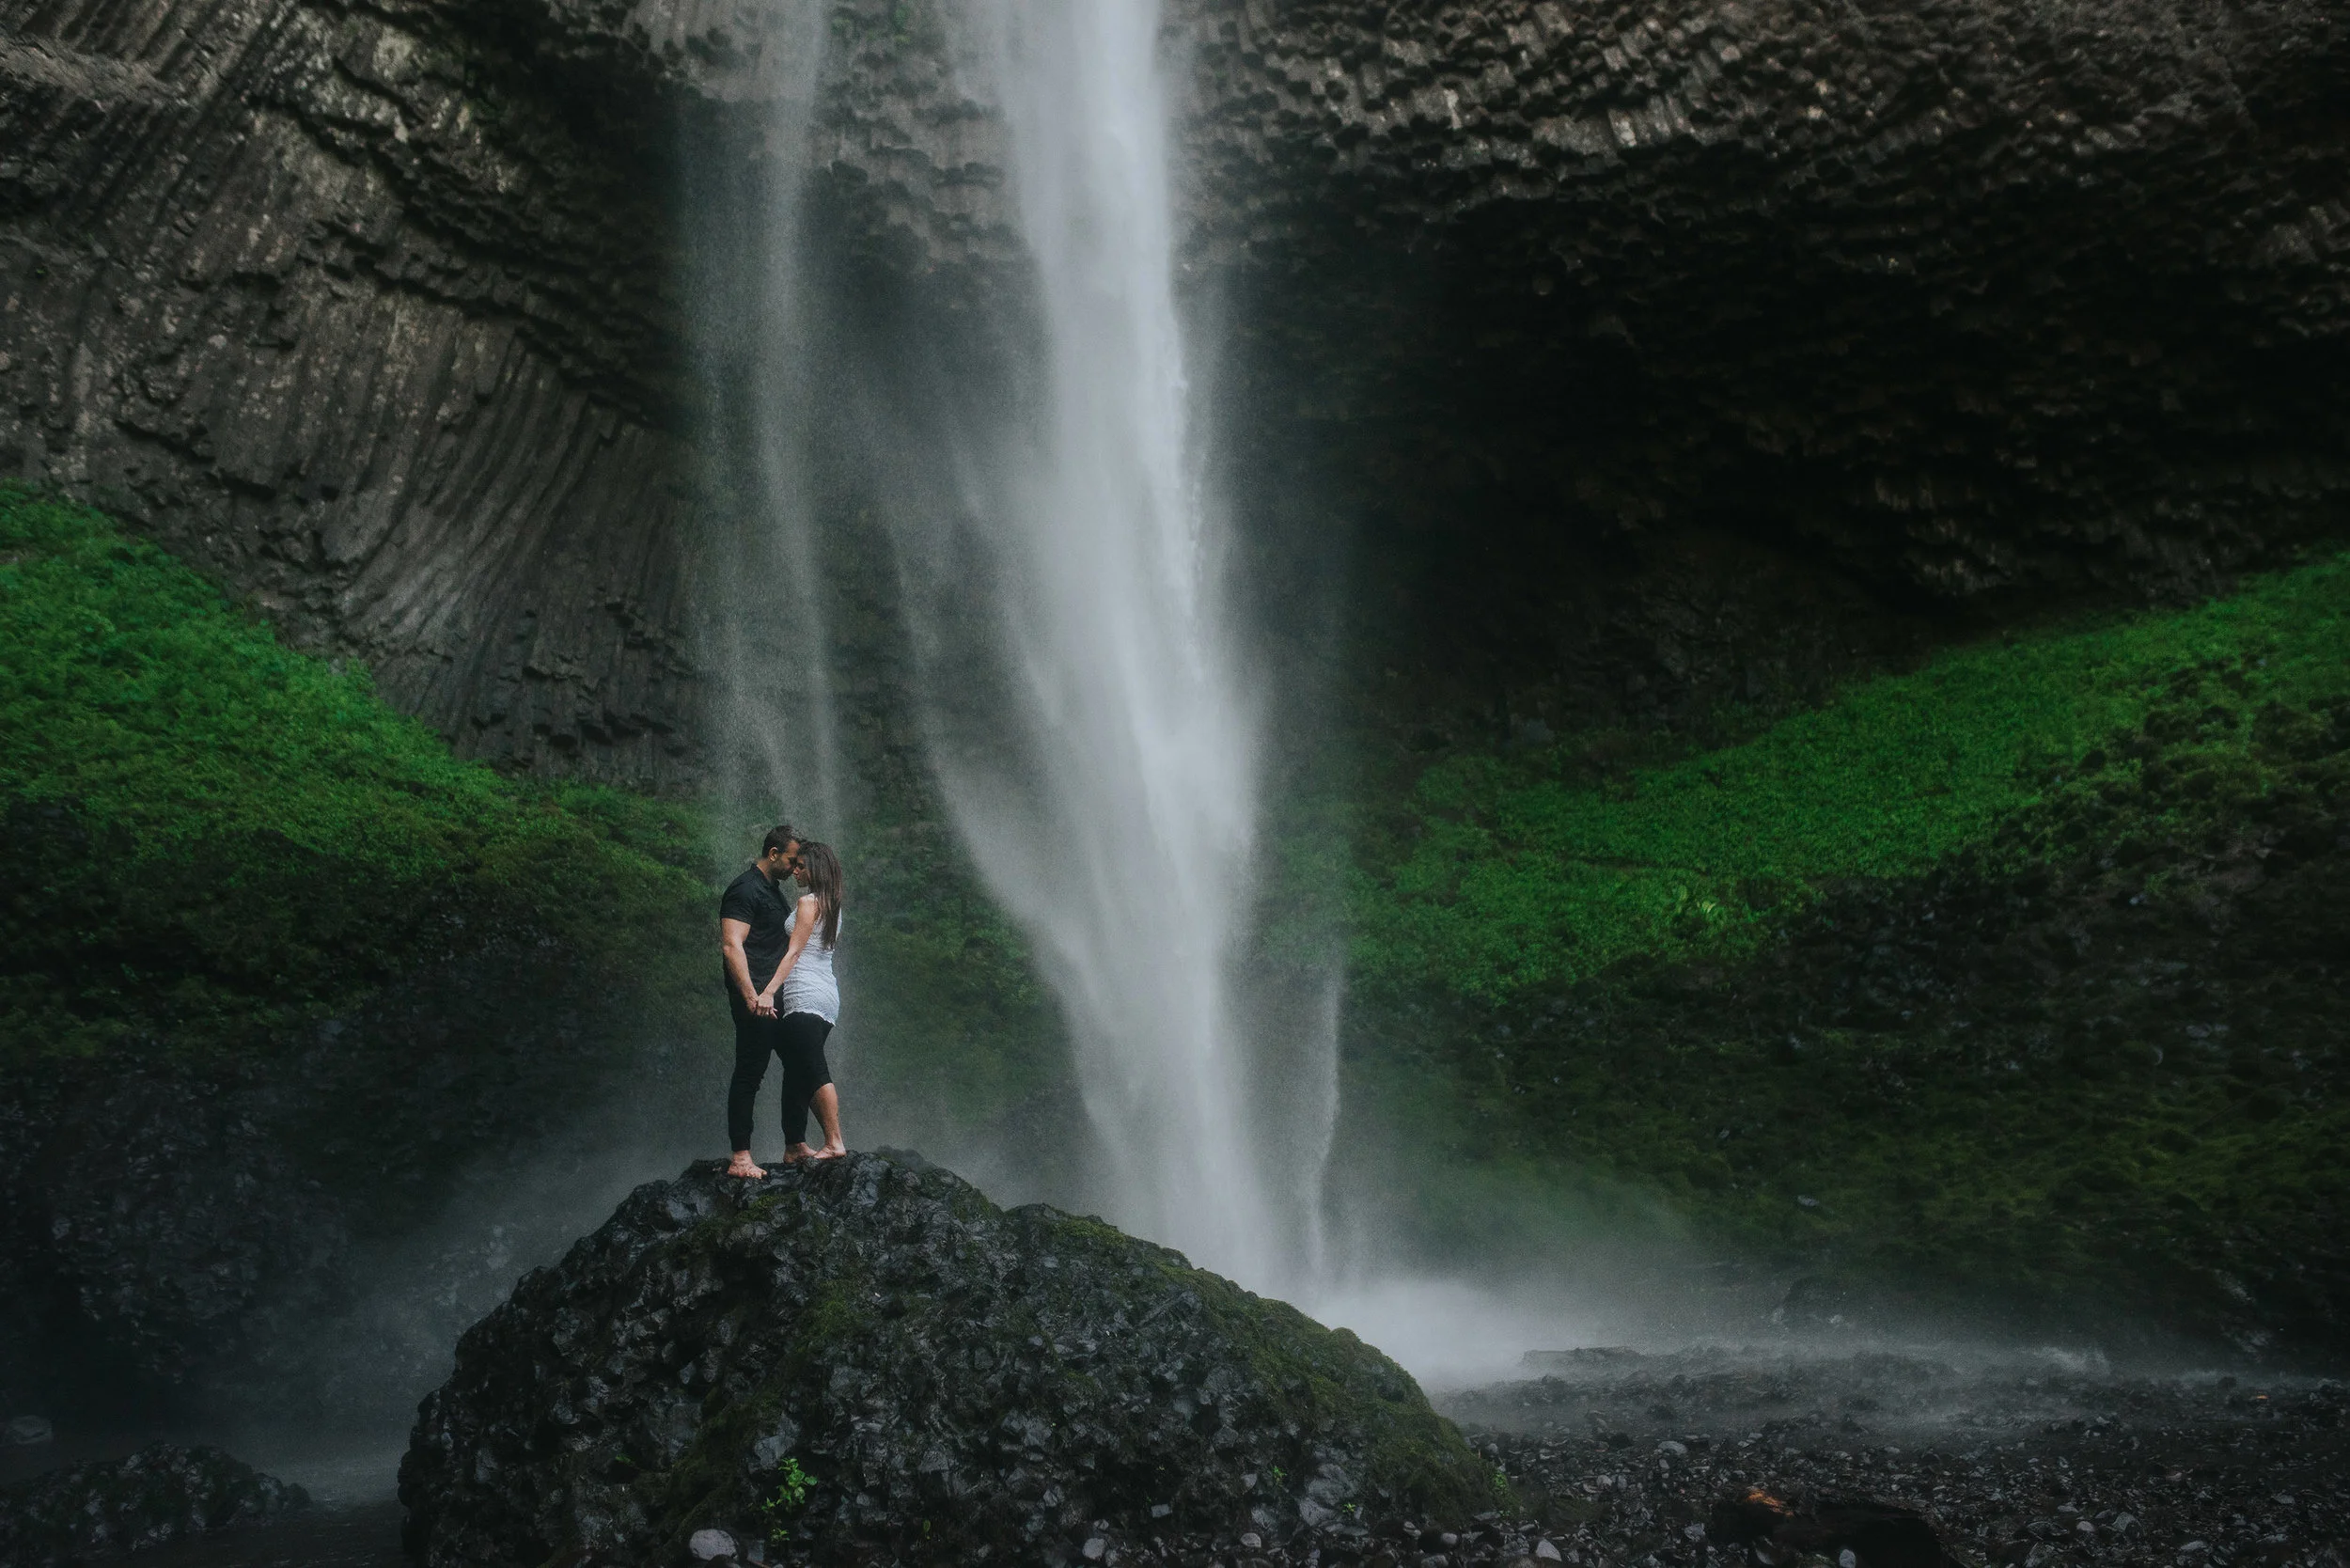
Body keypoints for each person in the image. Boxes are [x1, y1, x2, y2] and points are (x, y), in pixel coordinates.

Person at [755, 839, 847, 1166]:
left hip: (804, 993)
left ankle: (834, 1141)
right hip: (825, 996)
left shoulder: (809, 902)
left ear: (816, 869)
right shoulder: (833, 905)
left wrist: (767, 991)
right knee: (796, 1069)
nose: (795, 871)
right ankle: (794, 1144)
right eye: (795, 865)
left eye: (801, 867)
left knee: (811, 1067)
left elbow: (793, 953)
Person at [720, 826, 800, 1179]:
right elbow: (731, 945)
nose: (795, 867)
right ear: (772, 854)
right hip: (755, 998)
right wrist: (752, 996)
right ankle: (740, 1158)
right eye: (791, 859)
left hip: (775, 996)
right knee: (750, 1072)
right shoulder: (744, 889)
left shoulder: (772, 890)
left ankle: (795, 1145)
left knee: (799, 1064)